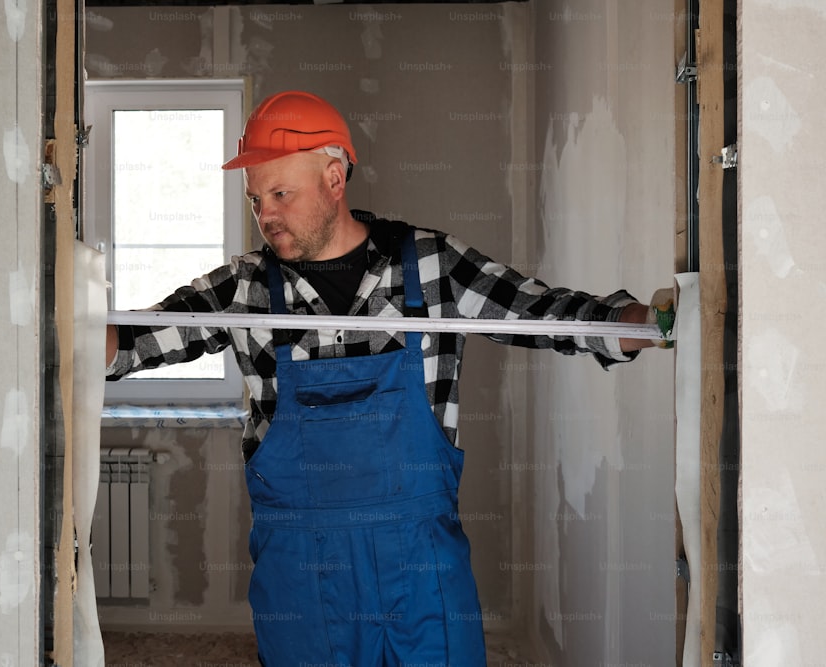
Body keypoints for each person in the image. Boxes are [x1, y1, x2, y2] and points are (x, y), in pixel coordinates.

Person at [105, 90, 664, 667]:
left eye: (280, 194)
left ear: (333, 178)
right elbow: (133, 343)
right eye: (255, 200)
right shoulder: (241, 289)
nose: (264, 215)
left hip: (421, 570)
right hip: (302, 579)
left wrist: (640, 323)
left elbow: (540, 314)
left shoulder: (431, 268)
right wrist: (73, 312)